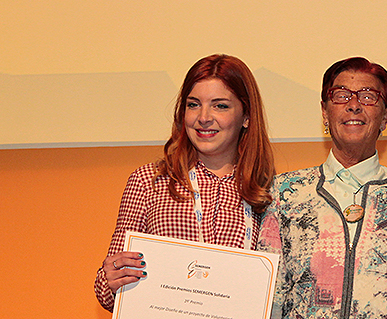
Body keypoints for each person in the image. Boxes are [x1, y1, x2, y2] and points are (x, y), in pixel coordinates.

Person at [94, 54, 275, 311]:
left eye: (220, 106)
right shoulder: (149, 182)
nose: (203, 117)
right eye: (193, 104)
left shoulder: (270, 192)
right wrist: (111, 278)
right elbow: (106, 292)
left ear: (246, 116)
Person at [257, 56, 387, 319]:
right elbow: (268, 296)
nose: (354, 106)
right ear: (325, 111)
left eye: (368, 96)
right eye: (342, 95)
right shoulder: (285, 192)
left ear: (386, 116)